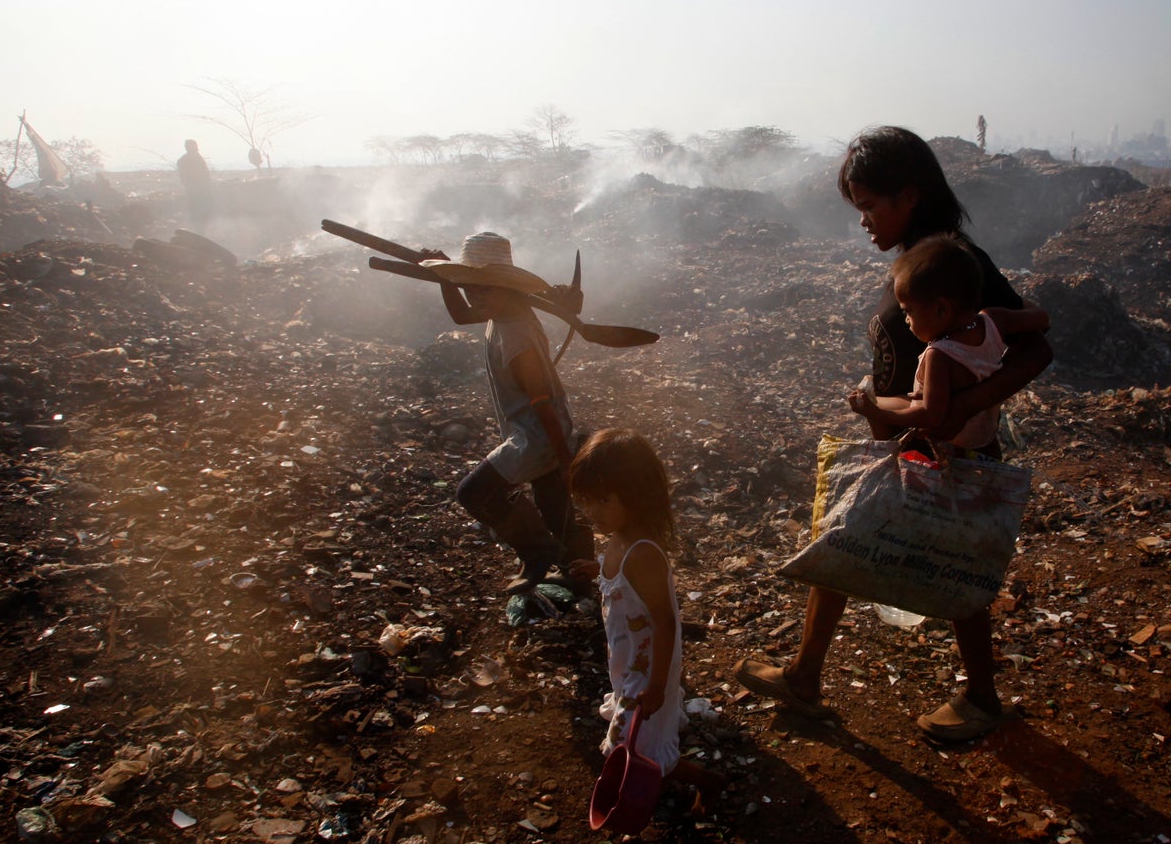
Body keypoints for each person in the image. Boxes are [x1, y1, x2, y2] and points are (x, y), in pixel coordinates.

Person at [735, 125, 1053, 741]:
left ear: (908, 196)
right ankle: (804, 676)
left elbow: (1035, 345)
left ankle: (983, 698)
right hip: (904, 438)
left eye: (869, 206)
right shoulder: (918, 257)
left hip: (949, 447)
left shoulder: (955, 262)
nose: (864, 222)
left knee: (956, 557)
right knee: (846, 535)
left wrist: (961, 408)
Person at [420, 233, 592, 594]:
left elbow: (541, 401)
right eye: (470, 288)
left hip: (539, 436)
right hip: (542, 431)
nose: (475, 298)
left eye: (484, 289)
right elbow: (460, 313)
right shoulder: (502, 311)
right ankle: (577, 574)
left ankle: (537, 552)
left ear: (504, 286)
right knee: (555, 507)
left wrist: (564, 458)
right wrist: (444, 278)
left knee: (474, 493)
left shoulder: (516, 336)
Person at [568, 428, 723, 808]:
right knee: (638, 734)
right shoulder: (619, 538)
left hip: (648, 668)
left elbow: (667, 622)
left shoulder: (644, 555)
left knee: (636, 744)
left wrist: (656, 686)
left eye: (603, 501)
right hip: (629, 659)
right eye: (587, 501)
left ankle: (706, 780)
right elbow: (619, 572)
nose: (592, 512)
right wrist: (596, 567)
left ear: (634, 496)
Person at [848, 234, 1050, 450]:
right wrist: (1014, 299)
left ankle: (890, 464)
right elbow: (1041, 318)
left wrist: (876, 413)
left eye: (909, 311)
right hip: (985, 427)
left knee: (871, 401)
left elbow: (931, 416)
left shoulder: (940, 355)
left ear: (941, 309)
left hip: (957, 433)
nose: (906, 320)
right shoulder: (993, 319)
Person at [176, 139, 213, 231]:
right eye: (194, 146)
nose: (196, 148)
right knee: (196, 212)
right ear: (188, 147)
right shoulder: (184, 160)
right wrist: (192, 188)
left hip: (203, 190)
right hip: (194, 191)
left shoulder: (198, 158)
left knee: (203, 212)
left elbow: (206, 174)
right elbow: (184, 177)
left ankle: (202, 229)